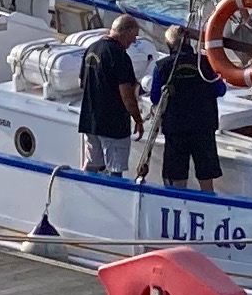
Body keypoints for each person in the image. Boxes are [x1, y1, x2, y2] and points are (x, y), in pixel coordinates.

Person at [150, 22, 225, 192]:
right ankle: (208, 203)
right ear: (188, 41)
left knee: (177, 178)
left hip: (176, 128)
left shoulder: (162, 66)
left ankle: (179, 204)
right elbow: (220, 90)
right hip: (203, 127)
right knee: (206, 177)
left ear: (169, 44)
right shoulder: (206, 63)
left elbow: (155, 97)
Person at [73, 12, 143, 177]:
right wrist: (138, 119)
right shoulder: (120, 56)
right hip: (113, 124)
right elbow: (127, 95)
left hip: (90, 120)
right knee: (115, 169)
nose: (134, 41)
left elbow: (82, 83)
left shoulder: (91, 49)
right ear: (126, 32)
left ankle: (83, 188)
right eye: (133, 36)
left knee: (91, 165)